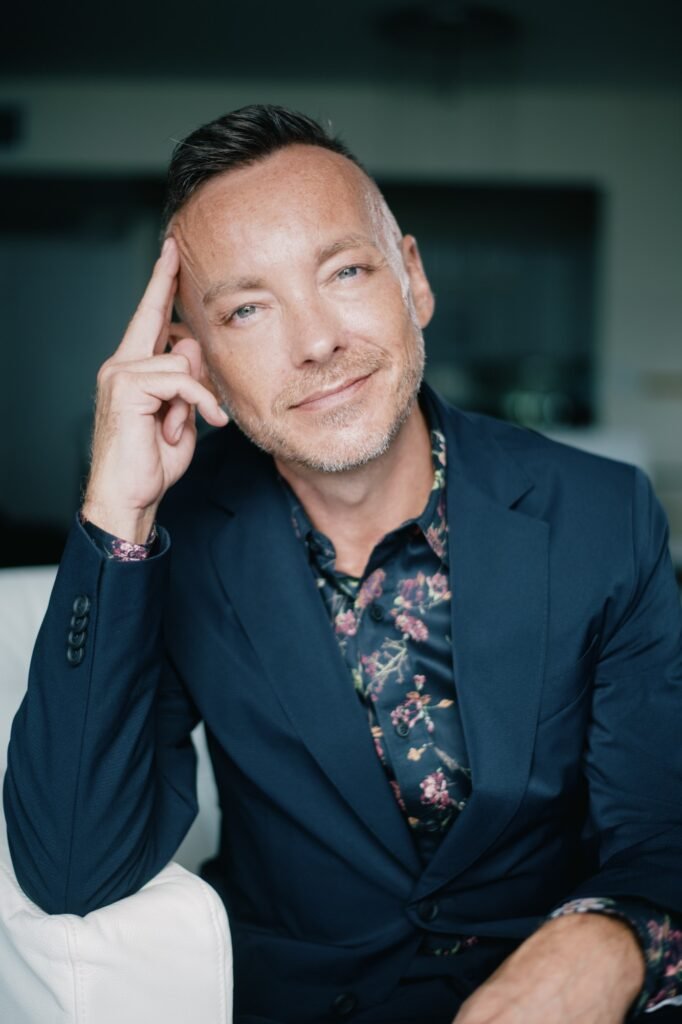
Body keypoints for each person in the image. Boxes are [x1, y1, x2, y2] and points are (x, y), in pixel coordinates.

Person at [4, 104, 682, 1024]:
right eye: (248, 308)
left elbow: (662, 823)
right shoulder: (180, 538)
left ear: (414, 279)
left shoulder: (603, 513)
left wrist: (606, 942)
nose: (316, 341)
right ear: (194, 359)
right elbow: (71, 867)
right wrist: (114, 513)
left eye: (346, 272)